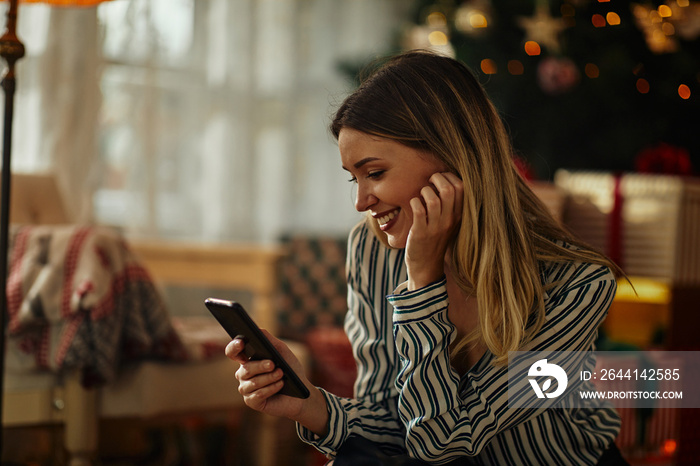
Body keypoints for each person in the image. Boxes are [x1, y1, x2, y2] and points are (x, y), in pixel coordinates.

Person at [226, 50, 628, 465]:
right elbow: (392, 421)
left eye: (376, 173)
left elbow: (443, 442)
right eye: (354, 178)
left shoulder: (578, 283)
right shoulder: (372, 249)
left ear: (449, 158)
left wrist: (422, 283)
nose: (362, 201)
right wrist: (306, 403)